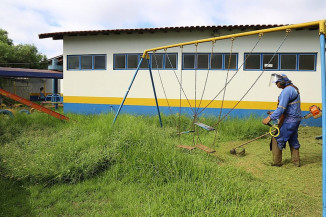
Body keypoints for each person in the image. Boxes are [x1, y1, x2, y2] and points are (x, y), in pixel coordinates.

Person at [262, 73, 302, 167]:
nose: (276, 85)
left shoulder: (286, 91)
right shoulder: (293, 88)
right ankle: (296, 162)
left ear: (282, 82)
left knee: (276, 137)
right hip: (295, 119)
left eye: (277, 83)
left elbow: (281, 108)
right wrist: (274, 113)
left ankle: (277, 162)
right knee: (292, 138)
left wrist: (269, 118)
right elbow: (288, 107)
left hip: (289, 120)